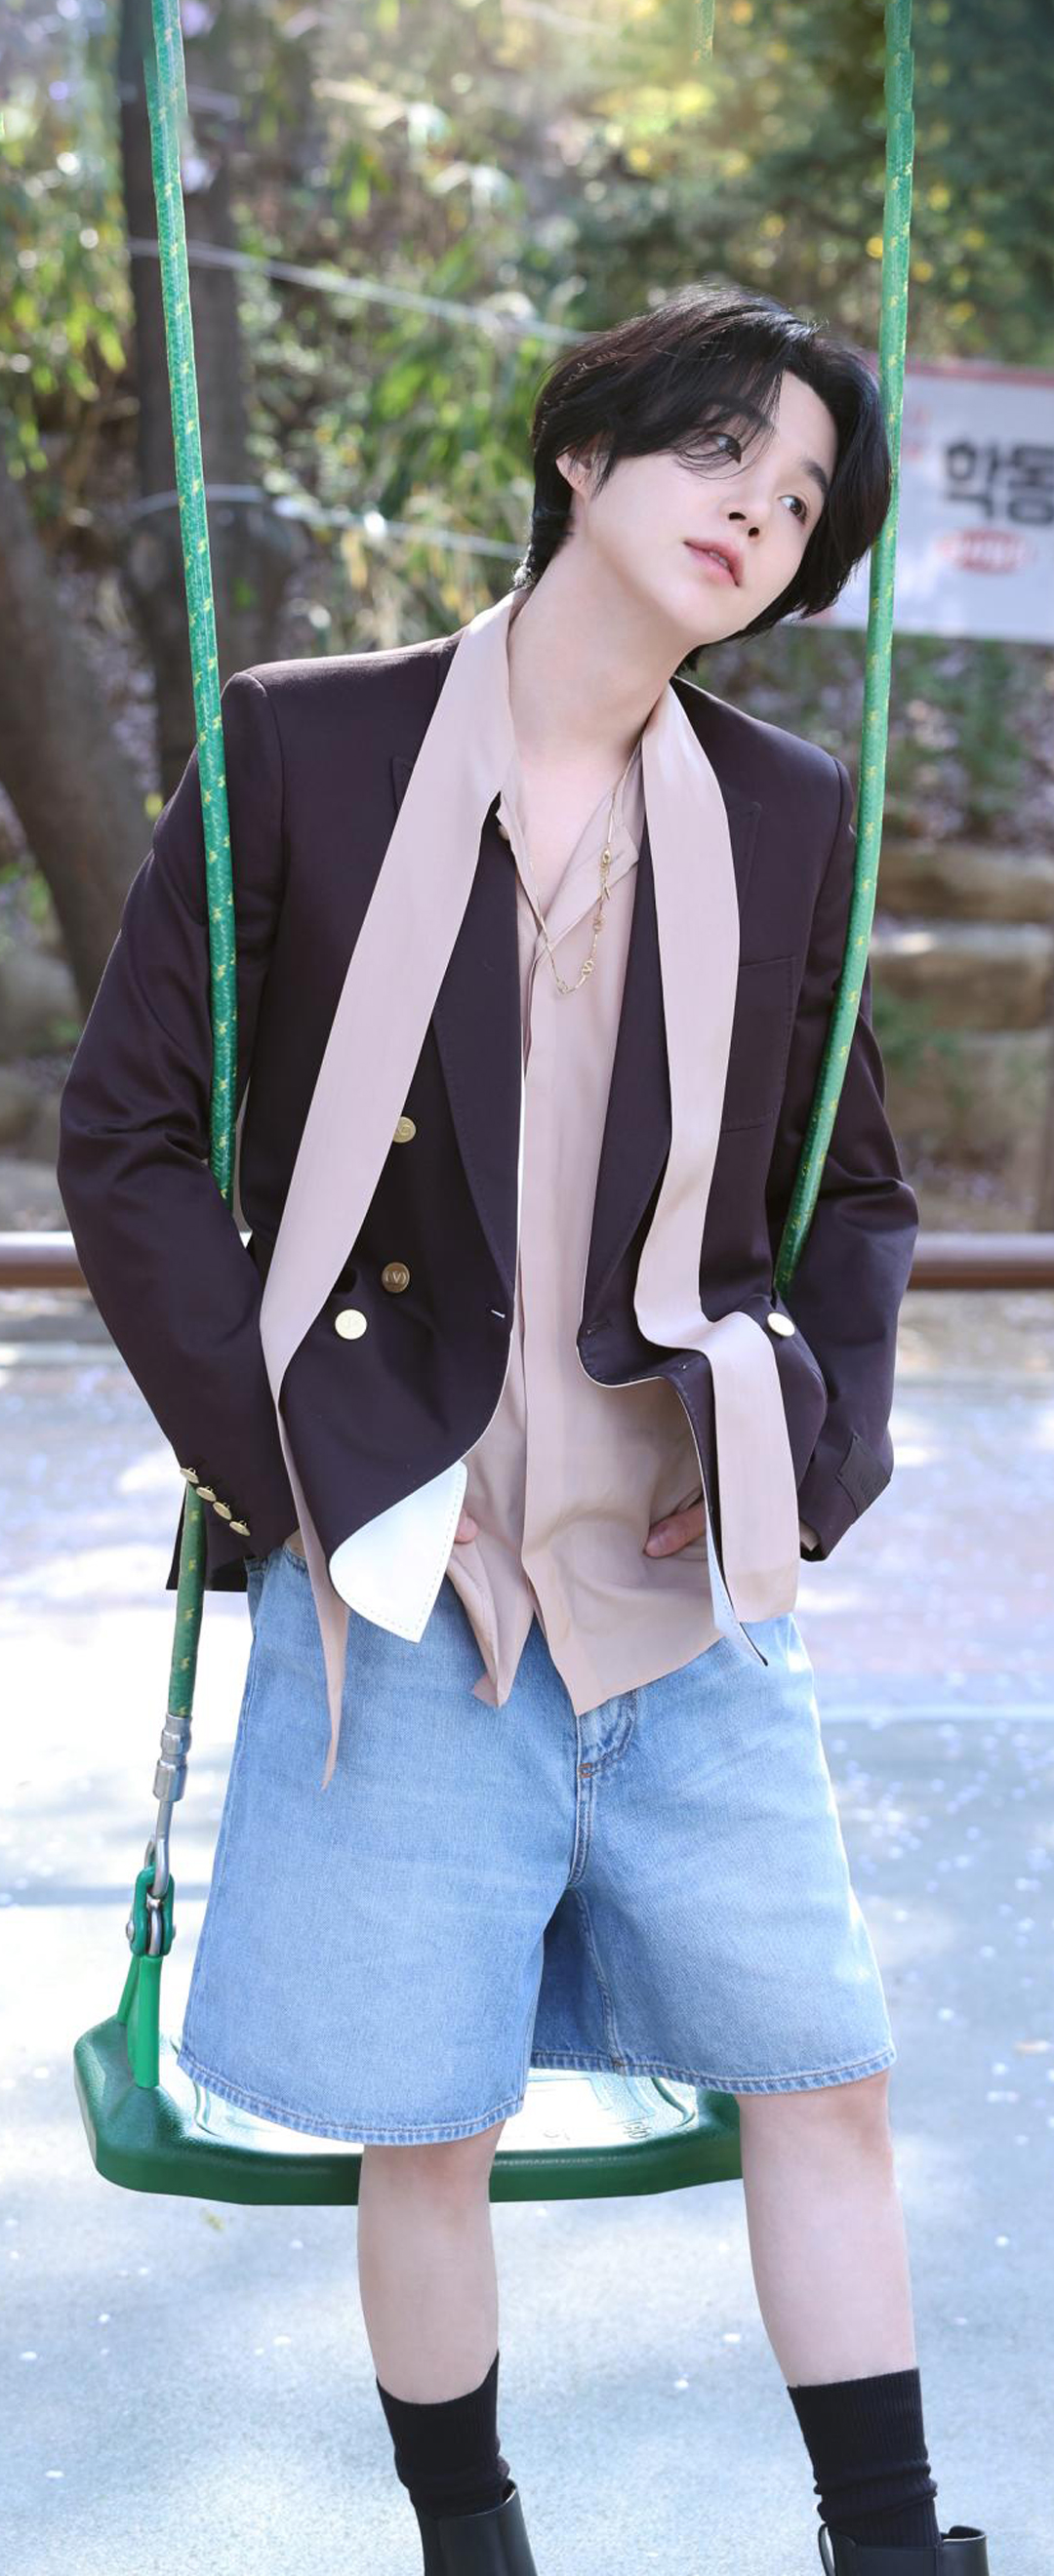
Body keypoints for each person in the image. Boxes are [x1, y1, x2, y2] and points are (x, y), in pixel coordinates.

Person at [56, 283, 989, 2575]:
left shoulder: (783, 815)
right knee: (436, 2132)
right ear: (585, 453)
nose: (755, 513)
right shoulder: (309, 746)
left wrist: (802, 1457)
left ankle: (896, 2552)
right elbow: (129, 1139)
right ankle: (475, 2547)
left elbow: (854, 1197)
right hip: (405, 1570)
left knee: (828, 2073)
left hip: (683, 1584)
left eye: (800, 502)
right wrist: (296, 1483)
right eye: (719, 453)